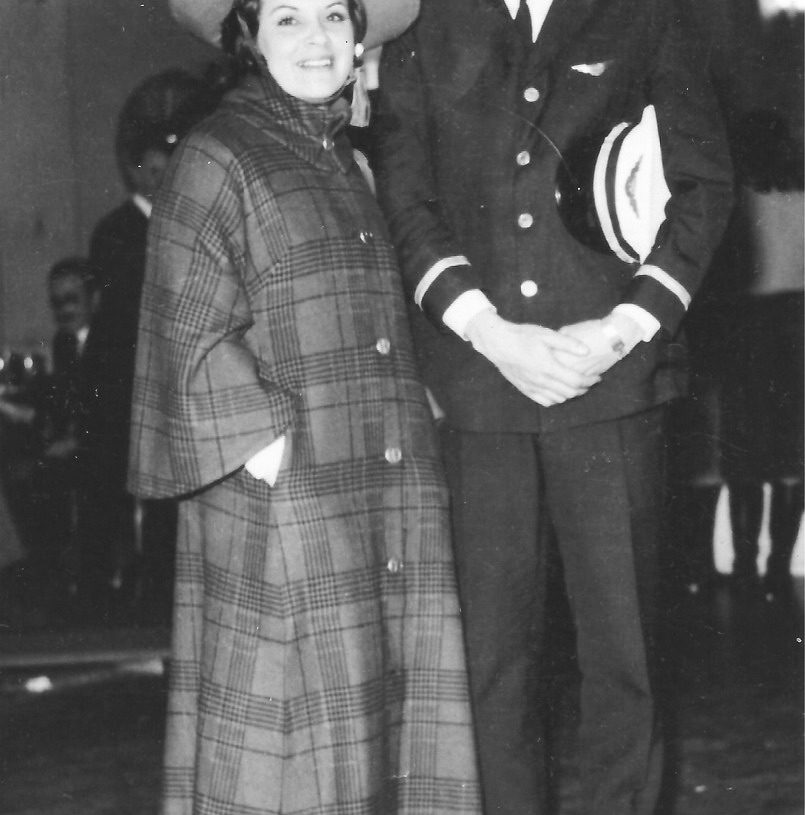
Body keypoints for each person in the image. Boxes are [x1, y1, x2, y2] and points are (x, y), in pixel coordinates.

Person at [373, 2, 734, 813]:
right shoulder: (423, 22)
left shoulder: (647, 16)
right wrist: (489, 331)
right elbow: (403, 198)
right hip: (477, 389)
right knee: (491, 666)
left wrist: (623, 327)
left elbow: (702, 184)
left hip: (612, 384)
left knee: (624, 659)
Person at [127, 0, 481, 812]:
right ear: (248, 37)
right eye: (288, 18)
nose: (317, 39)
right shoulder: (219, 151)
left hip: (376, 486)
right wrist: (271, 455)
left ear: (357, 37)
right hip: (288, 497)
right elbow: (186, 326)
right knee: (293, 746)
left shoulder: (341, 156)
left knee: (374, 735)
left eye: (333, 15)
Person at [84, 70, 215, 622]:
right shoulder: (115, 231)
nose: (165, 178)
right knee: (112, 489)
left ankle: (162, 592)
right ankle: (103, 596)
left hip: (166, 378)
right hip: (121, 378)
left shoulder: (181, 225)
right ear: (137, 169)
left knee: (168, 489)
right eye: (157, 169)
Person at [718, 110, 804, 603]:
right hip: (798, 329)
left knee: (745, 455)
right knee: (793, 455)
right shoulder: (801, 197)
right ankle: (776, 568)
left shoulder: (739, 200)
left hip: (751, 328)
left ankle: (746, 567)